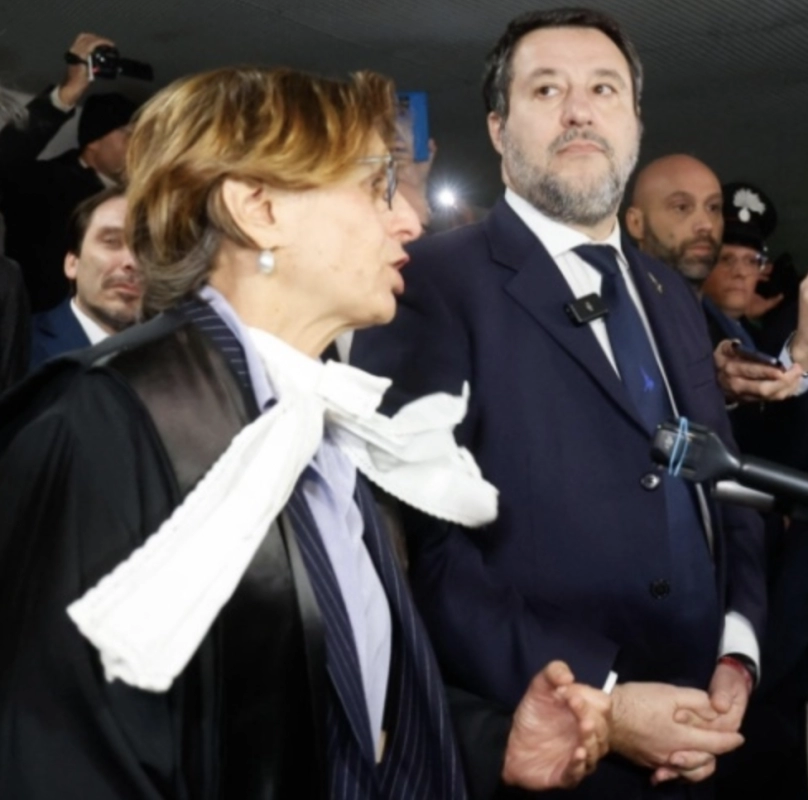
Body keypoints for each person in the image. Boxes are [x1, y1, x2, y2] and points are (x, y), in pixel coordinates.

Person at [0, 65, 612, 800]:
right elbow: (63, 753)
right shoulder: (103, 420)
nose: (408, 221)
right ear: (259, 209)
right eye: (376, 187)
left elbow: (325, 689)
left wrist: (491, 745)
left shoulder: (321, 418)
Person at [352, 8, 761, 797]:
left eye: (604, 90)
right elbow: (427, 555)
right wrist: (602, 700)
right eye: (547, 90)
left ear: (635, 120)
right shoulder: (429, 284)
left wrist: (737, 650)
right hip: (552, 746)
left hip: (707, 729)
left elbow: (728, 486)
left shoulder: (671, 294)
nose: (579, 111)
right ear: (498, 129)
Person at [0, 32, 136, 312]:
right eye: (128, 133)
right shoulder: (46, 180)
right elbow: (5, 159)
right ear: (94, 140)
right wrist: (67, 92)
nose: (139, 145)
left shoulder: (141, 199)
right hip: (40, 322)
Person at [29, 186, 140, 369]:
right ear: (72, 263)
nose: (132, 262)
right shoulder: (22, 348)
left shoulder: (177, 358)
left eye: (147, 249)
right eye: (111, 241)